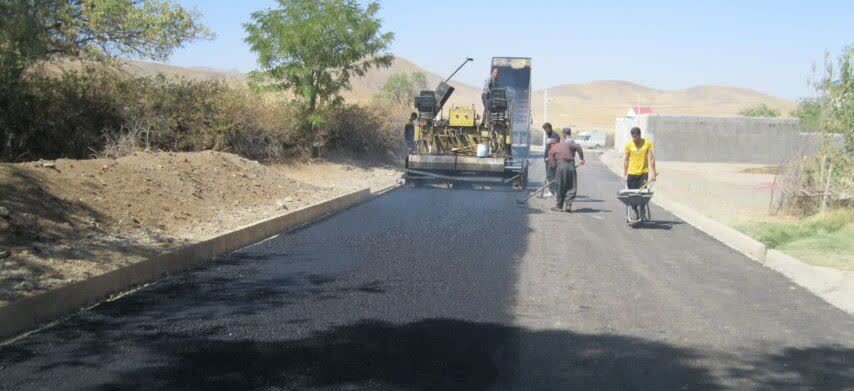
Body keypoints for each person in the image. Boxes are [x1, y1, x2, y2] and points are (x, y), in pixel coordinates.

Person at [623, 127, 658, 216]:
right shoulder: (629, 145)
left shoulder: (647, 144)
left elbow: (651, 158)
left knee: (642, 194)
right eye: (633, 137)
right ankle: (635, 210)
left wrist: (653, 172)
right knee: (632, 196)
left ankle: (642, 209)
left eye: (636, 137)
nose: (634, 139)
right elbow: (626, 159)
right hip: (631, 174)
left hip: (643, 173)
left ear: (639, 135)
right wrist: (625, 173)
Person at [547, 129, 585, 212]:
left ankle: (559, 206)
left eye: (550, 145)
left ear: (552, 144)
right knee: (571, 185)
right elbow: (578, 147)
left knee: (560, 186)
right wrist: (582, 159)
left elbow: (552, 165)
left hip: (561, 166)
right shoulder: (567, 144)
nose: (550, 146)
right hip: (571, 166)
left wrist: (556, 172)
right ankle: (568, 206)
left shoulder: (552, 149)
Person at [541, 123, 561, 197]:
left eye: (546, 129)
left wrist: (550, 158)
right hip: (548, 159)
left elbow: (554, 148)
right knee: (550, 175)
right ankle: (552, 191)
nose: (545, 131)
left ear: (549, 128)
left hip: (552, 159)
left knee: (552, 175)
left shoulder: (554, 136)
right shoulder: (550, 135)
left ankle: (554, 191)